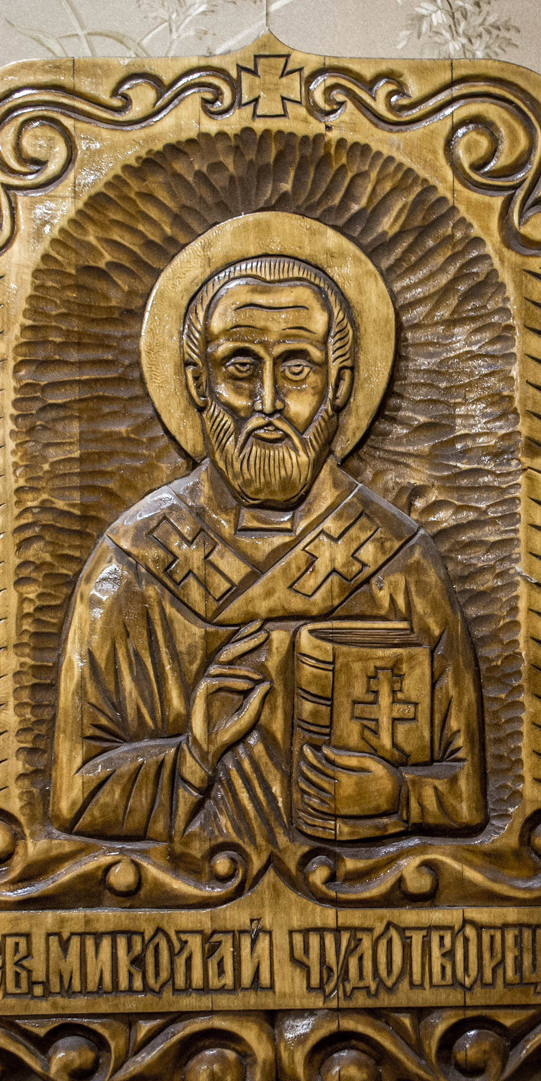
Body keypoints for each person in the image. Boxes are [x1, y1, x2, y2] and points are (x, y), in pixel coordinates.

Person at [51, 254, 485, 862]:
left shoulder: (400, 560)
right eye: (240, 367)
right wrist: (195, 753)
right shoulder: (132, 563)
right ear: (197, 383)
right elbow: (74, 797)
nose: (269, 401)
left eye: (298, 367)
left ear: (339, 384)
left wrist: (398, 795)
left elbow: (465, 793)